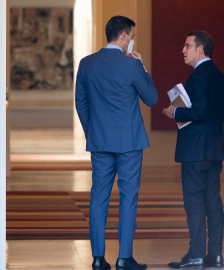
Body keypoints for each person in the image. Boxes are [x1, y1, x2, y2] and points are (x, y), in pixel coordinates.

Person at [75, 15, 158, 270]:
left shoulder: (86, 63)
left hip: (100, 142)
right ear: (122, 36)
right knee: (127, 198)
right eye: (131, 37)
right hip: (129, 142)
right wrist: (142, 66)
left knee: (98, 197)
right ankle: (124, 257)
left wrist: (93, 132)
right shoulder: (131, 66)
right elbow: (152, 98)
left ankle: (98, 259)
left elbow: (81, 103)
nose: (132, 42)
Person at [162, 30, 224, 269]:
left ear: (200, 49)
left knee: (194, 202)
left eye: (187, 45)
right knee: (213, 201)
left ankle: (197, 254)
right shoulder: (219, 76)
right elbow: (221, 115)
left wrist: (175, 112)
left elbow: (198, 112)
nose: (183, 49)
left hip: (196, 151)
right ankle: (216, 255)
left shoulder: (198, 76)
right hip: (214, 148)